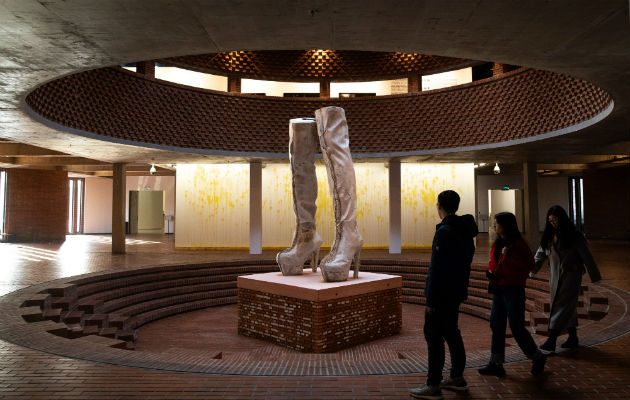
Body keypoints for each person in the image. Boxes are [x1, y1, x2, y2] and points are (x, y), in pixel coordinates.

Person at [409, 190, 478, 400]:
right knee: (452, 334)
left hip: (442, 294)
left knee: (434, 336)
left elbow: (438, 269)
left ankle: (433, 385)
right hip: (456, 290)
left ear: (440, 206)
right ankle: (457, 378)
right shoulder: (465, 231)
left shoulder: (445, 231)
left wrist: (431, 300)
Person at [478, 212, 547, 377]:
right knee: (496, 324)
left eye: (497, 223)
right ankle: (496, 363)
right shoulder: (498, 243)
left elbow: (529, 265)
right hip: (499, 288)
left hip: (513, 289)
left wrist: (510, 257)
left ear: (506, 225)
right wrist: (490, 271)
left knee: (516, 327)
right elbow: (494, 261)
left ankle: (537, 356)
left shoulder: (519, 244)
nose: (495, 226)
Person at [532, 205, 601, 352]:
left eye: (555, 220)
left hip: (571, 276)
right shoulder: (549, 237)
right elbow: (540, 254)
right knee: (567, 307)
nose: (553, 223)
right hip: (555, 278)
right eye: (550, 221)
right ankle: (573, 337)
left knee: (561, 306)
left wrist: (595, 276)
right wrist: (533, 268)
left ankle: (552, 339)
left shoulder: (574, 236)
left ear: (562, 219)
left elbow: (586, 256)